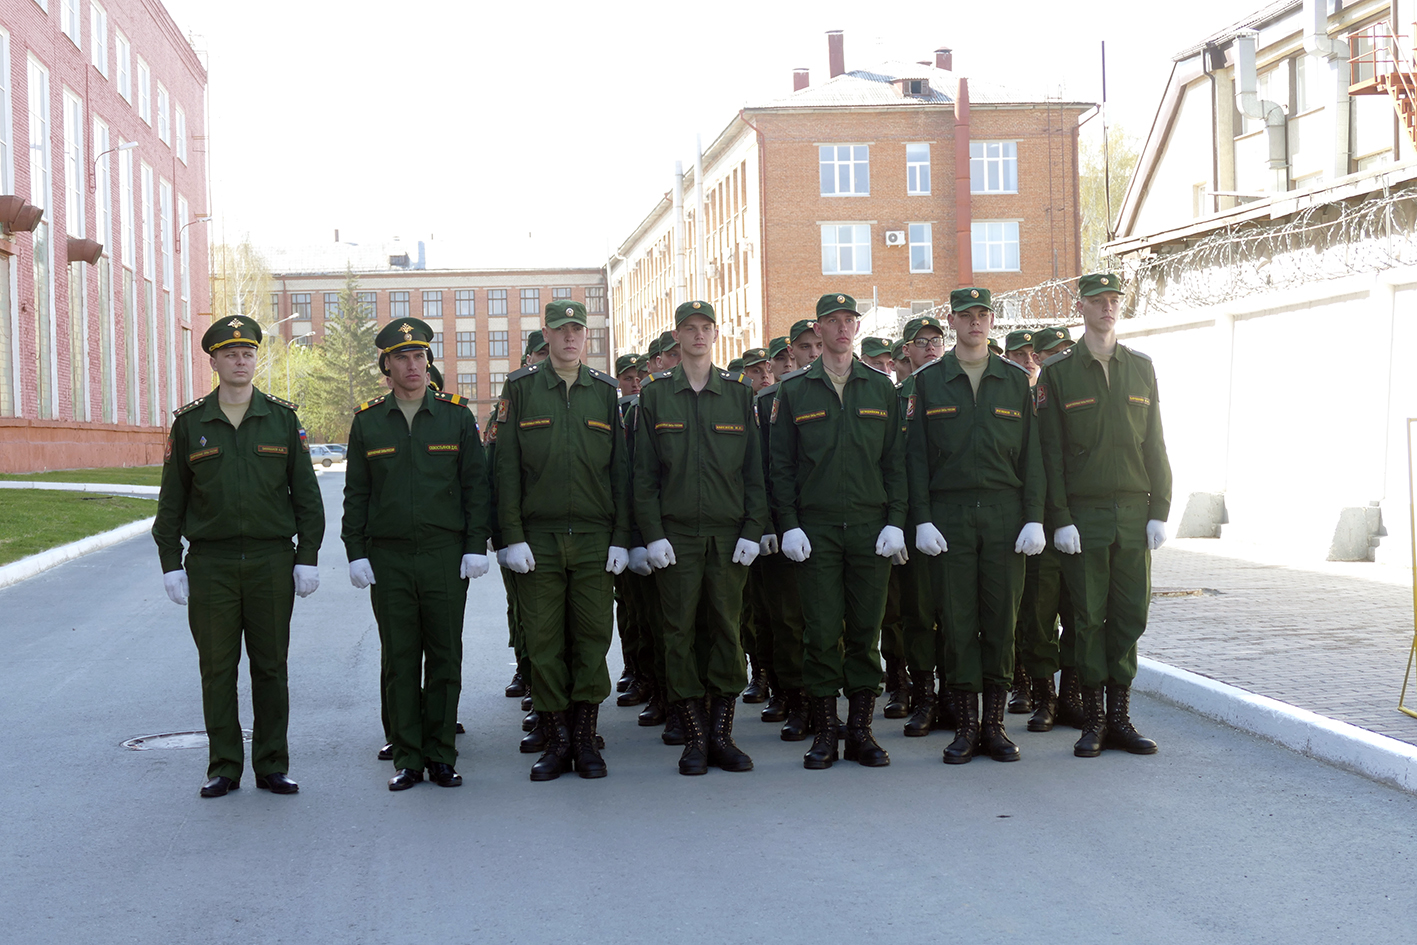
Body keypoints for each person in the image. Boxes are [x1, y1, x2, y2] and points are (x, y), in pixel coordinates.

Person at [154, 316, 324, 799]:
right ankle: (224, 765)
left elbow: (306, 498)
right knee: (217, 667)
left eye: (247, 353)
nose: (240, 361)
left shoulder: (282, 419)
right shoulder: (190, 424)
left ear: (256, 359)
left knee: (270, 667)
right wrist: (171, 562)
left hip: (272, 561)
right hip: (212, 566)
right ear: (214, 361)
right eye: (230, 354)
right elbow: (172, 503)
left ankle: (272, 763)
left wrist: (306, 556)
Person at [342, 317, 489, 791]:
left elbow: (475, 488)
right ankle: (407, 756)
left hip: (445, 555)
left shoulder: (455, 416)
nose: (413, 365)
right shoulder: (368, 421)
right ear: (386, 365)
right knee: (400, 657)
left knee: (445, 655)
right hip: (389, 558)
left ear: (429, 363)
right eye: (402, 358)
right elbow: (357, 495)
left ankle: (441, 753)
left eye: (420, 357)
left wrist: (474, 547)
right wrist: (355, 552)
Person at [1036, 272, 1172, 757]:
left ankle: (1120, 718)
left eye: (1115, 300)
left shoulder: (1141, 367)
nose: (1108, 308)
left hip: (1134, 514)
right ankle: (1093, 720)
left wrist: (1161, 507)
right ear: (1083, 307)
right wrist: (1060, 517)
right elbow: (1049, 454)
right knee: (1089, 618)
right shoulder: (1058, 373)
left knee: (1130, 613)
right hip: (1086, 516)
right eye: (1098, 301)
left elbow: (1154, 442)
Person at [495, 299, 631, 781]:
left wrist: (621, 538)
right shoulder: (521, 389)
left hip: (595, 538)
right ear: (547, 336)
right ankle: (556, 742)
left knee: (593, 639)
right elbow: (506, 468)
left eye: (577, 328)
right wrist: (511, 537)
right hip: (540, 539)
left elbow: (620, 471)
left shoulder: (604, 392)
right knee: (546, 642)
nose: (570, 336)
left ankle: (585, 738)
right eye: (561, 329)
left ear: (586, 336)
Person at [907, 287, 1045, 764]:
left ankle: (995, 726)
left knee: (1001, 622)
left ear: (991, 320)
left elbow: (1033, 458)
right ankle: (966, 726)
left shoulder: (1014, 380)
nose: (976, 322)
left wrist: (1035, 518)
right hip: (950, 517)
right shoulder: (928, 382)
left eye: (983, 314)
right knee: (959, 622)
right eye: (966, 315)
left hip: (1006, 517)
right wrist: (921, 520)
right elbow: (916, 459)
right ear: (952, 321)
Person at [770, 293, 907, 769]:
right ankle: (826, 732)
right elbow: (781, 466)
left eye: (850, 319)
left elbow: (895, 463)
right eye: (834, 321)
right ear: (819, 329)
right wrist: (788, 525)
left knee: (866, 632)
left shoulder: (880, 388)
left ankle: (862, 732)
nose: (844, 327)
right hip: (818, 529)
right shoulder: (795, 391)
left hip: (870, 528)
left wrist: (896, 522)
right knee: (822, 632)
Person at [635, 300, 767, 775]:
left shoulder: (738, 394)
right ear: (676, 336)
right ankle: (693, 737)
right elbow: (643, 475)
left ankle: (721, 736)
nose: (697, 335)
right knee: (678, 635)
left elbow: (755, 472)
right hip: (677, 538)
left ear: (715, 334)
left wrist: (754, 529)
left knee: (727, 633)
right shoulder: (654, 397)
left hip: (728, 536)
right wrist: (651, 534)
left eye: (705, 328)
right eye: (688, 328)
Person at [735, 345, 776, 704]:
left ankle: (779, 678)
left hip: (778, 524)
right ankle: (759, 670)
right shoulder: (738, 411)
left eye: (768, 370)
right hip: (745, 524)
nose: (763, 377)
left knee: (778, 609)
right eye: (755, 371)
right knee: (751, 608)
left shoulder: (778, 408)